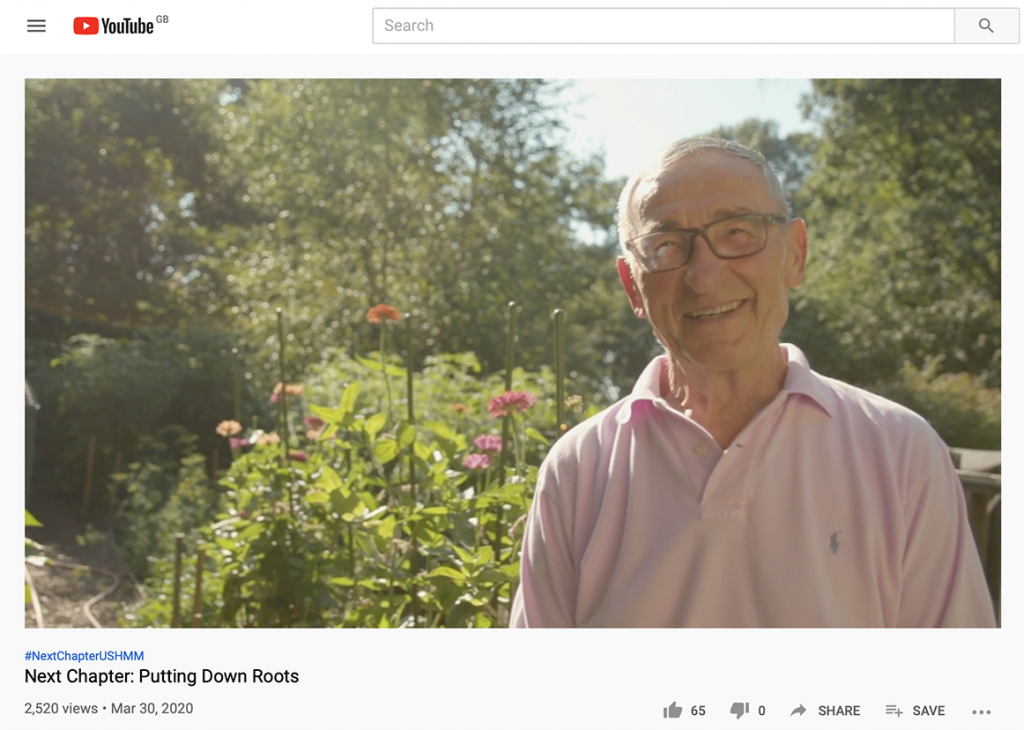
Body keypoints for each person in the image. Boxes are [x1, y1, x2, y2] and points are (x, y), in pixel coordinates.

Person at [509, 137, 996, 628]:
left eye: (738, 231)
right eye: (665, 245)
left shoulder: (901, 453)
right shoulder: (577, 470)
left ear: (795, 254)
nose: (704, 274)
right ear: (634, 286)